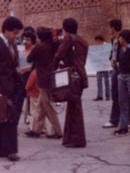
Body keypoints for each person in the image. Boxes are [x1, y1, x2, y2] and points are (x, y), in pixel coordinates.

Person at [0, 16, 24, 161]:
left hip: (13, 85)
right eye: (14, 33)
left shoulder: (12, 44)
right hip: (0, 86)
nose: (16, 36)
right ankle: (8, 150)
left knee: (8, 118)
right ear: (6, 30)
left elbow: (13, 65)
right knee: (5, 118)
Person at [53, 18, 88, 148]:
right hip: (80, 75)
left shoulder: (68, 39)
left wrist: (53, 69)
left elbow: (58, 55)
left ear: (65, 29)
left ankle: (77, 139)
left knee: (75, 108)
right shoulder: (83, 41)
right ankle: (69, 138)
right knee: (73, 107)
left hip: (72, 76)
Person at [25, 27, 63, 139]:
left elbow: (29, 59)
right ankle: (35, 130)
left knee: (48, 107)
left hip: (42, 79)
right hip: (51, 77)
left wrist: (31, 48)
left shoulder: (38, 47)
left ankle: (58, 131)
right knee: (41, 106)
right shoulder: (53, 45)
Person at [103, 19, 130, 129]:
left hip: (122, 70)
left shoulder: (123, 37)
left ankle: (127, 120)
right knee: (115, 94)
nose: (109, 29)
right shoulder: (113, 39)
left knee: (125, 96)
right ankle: (115, 119)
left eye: (110, 27)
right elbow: (113, 52)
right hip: (115, 69)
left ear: (113, 27)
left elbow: (126, 51)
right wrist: (111, 59)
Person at [15, 31, 36, 125]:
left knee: (31, 99)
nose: (25, 41)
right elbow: (17, 65)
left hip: (31, 77)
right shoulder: (20, 52)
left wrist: (26, 68)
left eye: (28, 40)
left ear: (32, 41)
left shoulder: (34, 52)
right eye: (24, 39)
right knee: (20, 98)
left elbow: (35, 66)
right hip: (21, 78)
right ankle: (22, 118)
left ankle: (30, 119)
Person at [93, 35, 111, 101]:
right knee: (99, 80)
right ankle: (99, 96)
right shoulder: (97, 47)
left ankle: (108, 95)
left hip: (105, 65)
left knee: (106, 80)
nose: (96, 43)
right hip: (99, 65)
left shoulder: (106, 46)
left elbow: (108, 55)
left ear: (100, 40)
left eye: (97, 41)